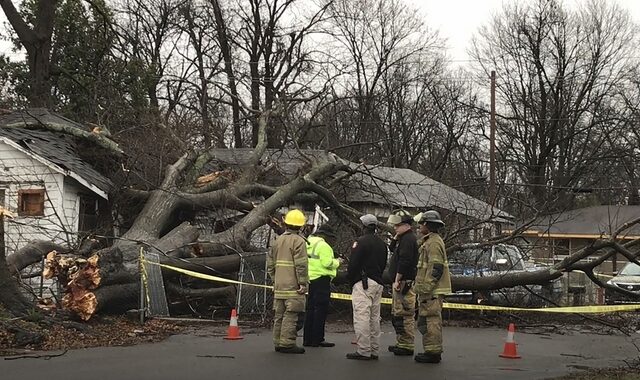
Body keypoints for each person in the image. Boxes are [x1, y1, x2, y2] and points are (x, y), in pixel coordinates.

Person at [346, 214, 388, 360]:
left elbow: (353, 264)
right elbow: (383, 264)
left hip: (363, 283)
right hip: (378, 283)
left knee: (362, 316)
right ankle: (374, 349)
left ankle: (363, 350)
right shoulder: (382, 244)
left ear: (363, 226)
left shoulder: (360, 242)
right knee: (374, 318)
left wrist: (351, 279)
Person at [267, 209, 309, 354]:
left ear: (285, 223)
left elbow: (270, 265)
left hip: (279, 286)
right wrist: (303, 283)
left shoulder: (277, 241)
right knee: (291, 315)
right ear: (301, 226)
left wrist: (274, 280)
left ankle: (278, 342)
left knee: (279, 315)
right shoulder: (299, 241)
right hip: (293, 287)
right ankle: (287, 343)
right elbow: (301, 265)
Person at [413, 210, 451, 364]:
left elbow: (436, 268)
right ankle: (430, 350)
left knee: (432, 320)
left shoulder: (434, 243)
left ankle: (433, 352)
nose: (419, 226)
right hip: (429, 289)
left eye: (421, 223)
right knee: (427, 319)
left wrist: (426, 287)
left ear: (427, 225)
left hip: (432, 290)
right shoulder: (429, 241)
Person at [386, 209, 419, 356]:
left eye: (397, 226)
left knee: (404, 314)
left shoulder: (409, 240)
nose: (395, 228)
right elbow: (391, 248)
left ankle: (407, 344)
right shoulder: (403, 238)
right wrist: (396, 236)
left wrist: (398, 279)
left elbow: (405, 261)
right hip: (400, 282)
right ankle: (401, 341)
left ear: (406, 225)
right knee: (397, 314)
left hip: (404, 282)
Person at [303, 224, 341, 348]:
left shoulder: (307, 242)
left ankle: (307, 339)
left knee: (310, 309)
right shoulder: (324, 246)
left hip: (311, 278)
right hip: (322, 279)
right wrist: (338, 262)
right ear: (326, 235)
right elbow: (327, 263)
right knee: (320, 310)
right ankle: (318, 339)